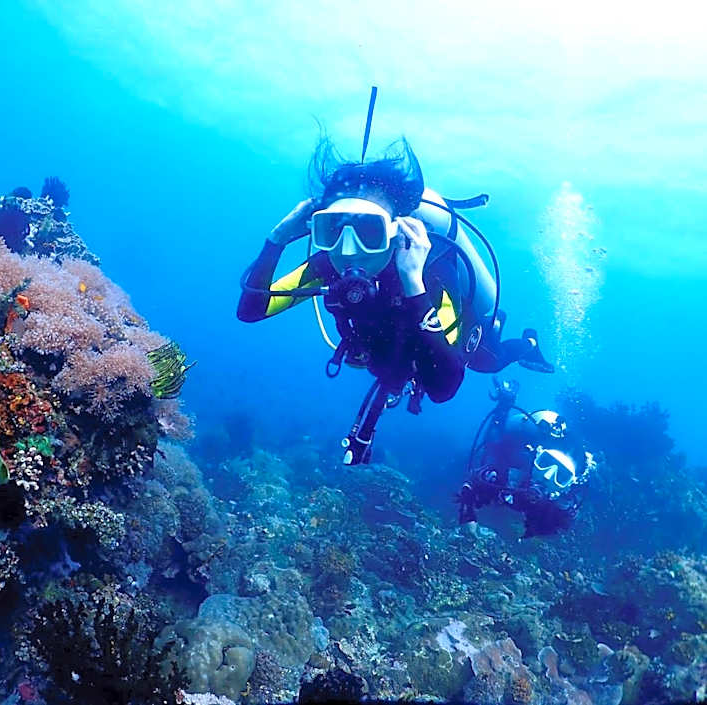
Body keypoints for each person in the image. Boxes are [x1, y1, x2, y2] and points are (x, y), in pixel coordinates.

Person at [237, 136, 553, 465]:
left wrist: (413, 284)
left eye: (369, 232)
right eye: (333, 230)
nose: (348, 250)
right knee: (387, 371)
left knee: (489, 360)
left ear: (395, 230)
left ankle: (527, 343)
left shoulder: (430, 272)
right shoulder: (326, 265)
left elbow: (443, 388)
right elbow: (251, 309)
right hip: (390, 357)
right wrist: (277, 239)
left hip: (445, 346)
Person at [457, 378, 596, 537]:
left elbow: (556, 524)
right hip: (514, 447)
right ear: (536, 457)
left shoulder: (563, 505)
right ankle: (504, 405)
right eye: (545, 462)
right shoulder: (512, 467)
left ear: (568, 485)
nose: (547, 475)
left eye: (561, 476)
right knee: (494, 444)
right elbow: (474, 480)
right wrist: (467, 516)